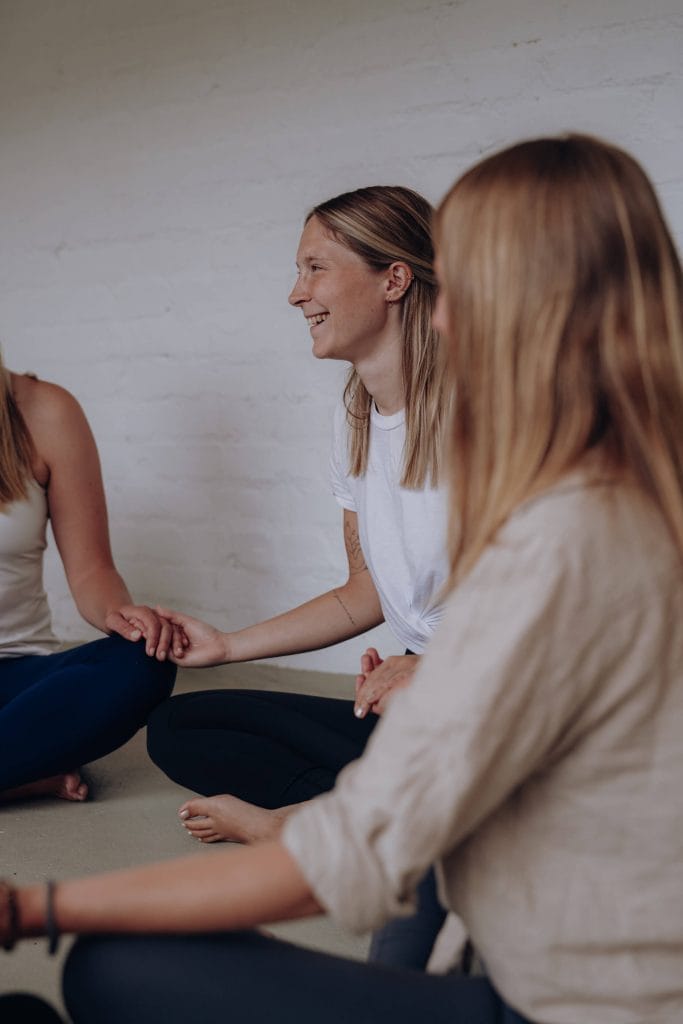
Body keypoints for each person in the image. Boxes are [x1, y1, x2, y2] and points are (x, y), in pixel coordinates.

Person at [2, 132, 683, 1024]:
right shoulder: (610, 492)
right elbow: (389, 608)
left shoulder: (563, 528)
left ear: (536, 300)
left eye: (461, 285)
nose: (443, 314)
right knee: (194, 751)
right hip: (480, 855)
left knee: (114, 969)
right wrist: (234, 646)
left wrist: (38, 908)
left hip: (551, 989)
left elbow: (344, 860)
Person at [146, 185, 450, 967]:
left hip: (484, 695)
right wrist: (227, 646)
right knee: (183, 725)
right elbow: (366, 591)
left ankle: (324, 823)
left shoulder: (483, 417)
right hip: (404, 703)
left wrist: (435, 668)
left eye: (315, 268)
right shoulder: (356, 422)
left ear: (394, 278)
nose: (295, 293)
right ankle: (362, 805)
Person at [0, 362, 177, 804]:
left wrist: (120, 614)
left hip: (18, 677)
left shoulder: (46, 412)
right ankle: (20, 774)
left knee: (144, 660)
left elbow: (91, 570)